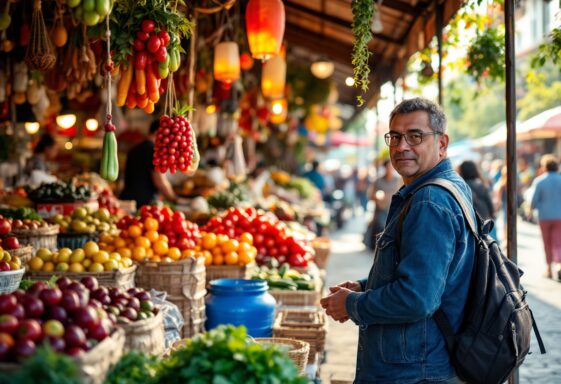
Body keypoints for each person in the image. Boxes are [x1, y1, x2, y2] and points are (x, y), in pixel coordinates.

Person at [320, 98, 476, 383]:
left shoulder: (430, 200)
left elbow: (417, 298)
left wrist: (353, 304)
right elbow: (428, 276)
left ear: (442, 143)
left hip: (412, 370)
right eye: (395, 136)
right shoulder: (445, 187)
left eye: (415, 136)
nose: (402, 146)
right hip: (417, 363)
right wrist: (365, 287)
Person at [120, 119, 180, 208]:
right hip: (143, 204)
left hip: (127, 200)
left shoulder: (134, 149)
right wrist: (174, 199)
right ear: (158, 132)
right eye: (167, 134)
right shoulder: (154, 151)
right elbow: (160, 181)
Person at [530, 154, 561, 280]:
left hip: (544, 216)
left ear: (544, 167)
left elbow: (533, 201)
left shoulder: (539, 181)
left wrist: (532, 209)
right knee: (558, 241)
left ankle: (549, 269)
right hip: (559, 216)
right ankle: (559, 264)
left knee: (546, 242)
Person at [363, 159, 401, 249]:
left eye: (391, 166)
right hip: (380, 210)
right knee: (381, 228)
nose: (390, 168)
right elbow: (370, 195)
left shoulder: (398, 180)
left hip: (394, 210)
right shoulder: (378, 180)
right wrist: (377, 197)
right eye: (388, 166)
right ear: (384, 167)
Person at [458, 160, 498, 241]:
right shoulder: (480, 184)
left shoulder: (460, 186)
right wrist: (492, 213)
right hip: (484, 217)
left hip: (470, 221)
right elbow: (488, 202)